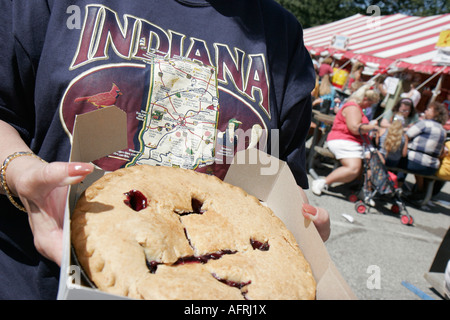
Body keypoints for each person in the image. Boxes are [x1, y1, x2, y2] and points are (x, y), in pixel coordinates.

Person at [0, 1, 330, 299]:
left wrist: (306, 232)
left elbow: (279, 178)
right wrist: (19, 170)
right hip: (36, 280)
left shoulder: (281, 35)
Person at [311, 86, 380, 196]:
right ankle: (323, 182)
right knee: (353, 168)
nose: (370, 106)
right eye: (371, 103)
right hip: (344, 140)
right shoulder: (353, 108)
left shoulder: (355, 107)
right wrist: (371, 126)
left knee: (375, 160)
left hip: (352, 141)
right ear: (365, 99)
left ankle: (364, 189)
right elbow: (354, 128)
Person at [397, 102, 448, 197]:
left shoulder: (424, 124)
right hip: (431, 167)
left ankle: (397, 188)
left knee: (400, 160)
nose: (425, 111)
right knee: (418, 158)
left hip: (415, 163)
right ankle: (420, 191)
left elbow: (406, 136)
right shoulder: (443, 130)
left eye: (428, 110)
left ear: (435, 113)